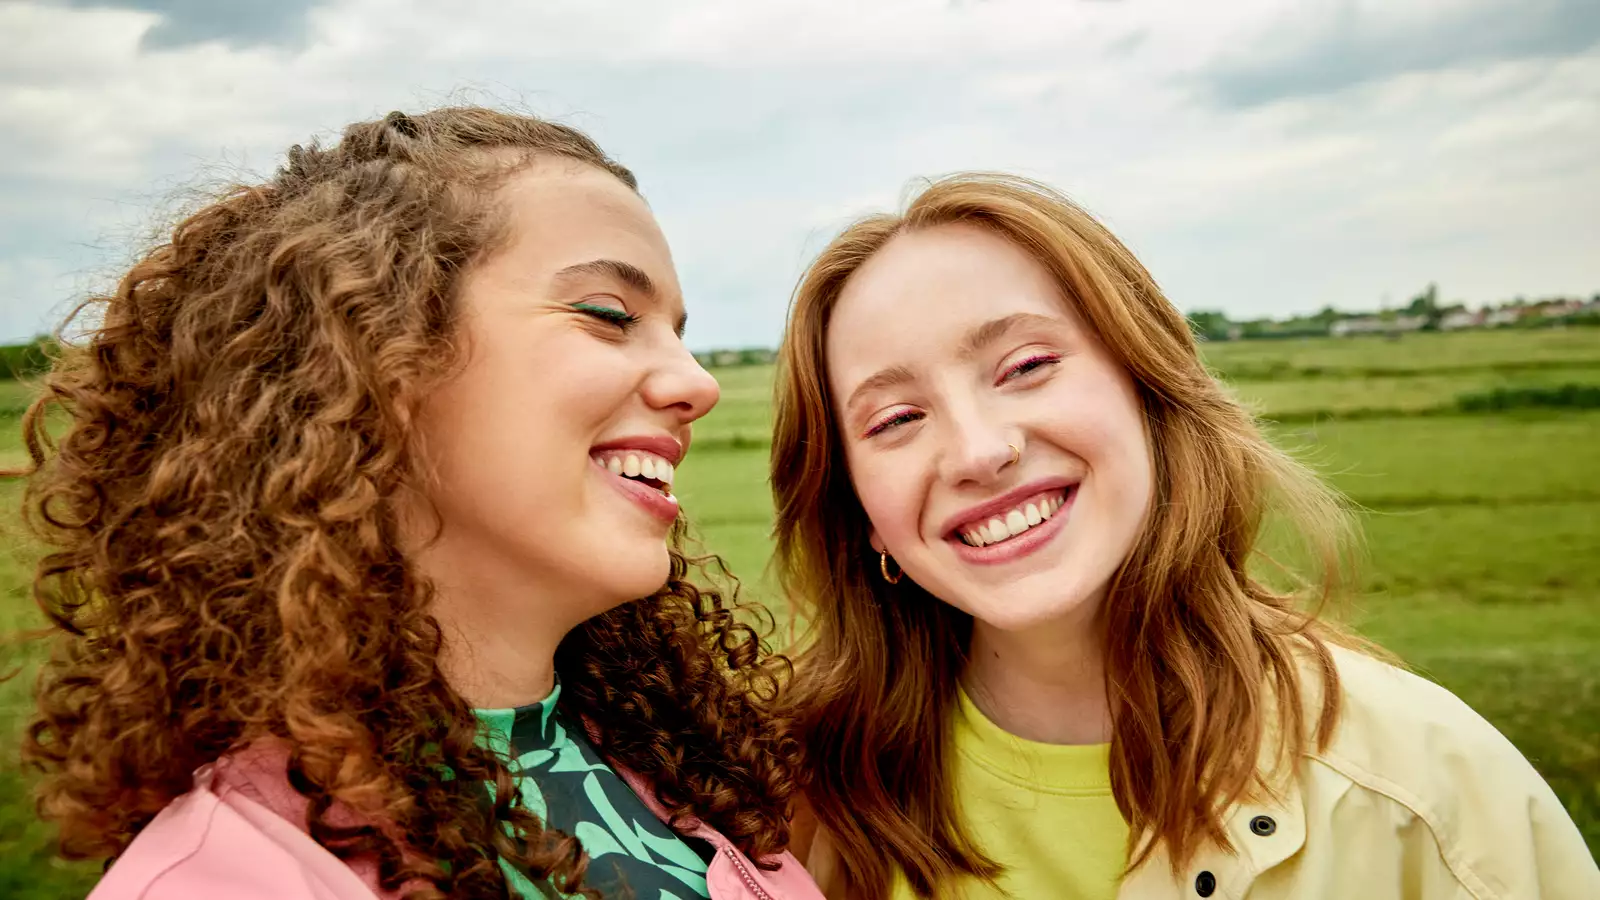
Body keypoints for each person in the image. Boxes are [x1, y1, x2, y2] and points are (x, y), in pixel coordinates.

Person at [16, 107, 820, 900]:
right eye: (609, 315)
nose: (697, 383)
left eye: (679, 333)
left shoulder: (685, 773)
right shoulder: (225, 879)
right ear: (375, 361)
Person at [770, 173, 1600, 899]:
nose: (981, 451)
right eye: (897, 418)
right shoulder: (804, 797)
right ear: (856, 508)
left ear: (1147, 387)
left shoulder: (1423, 790)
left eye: (1026, 367)